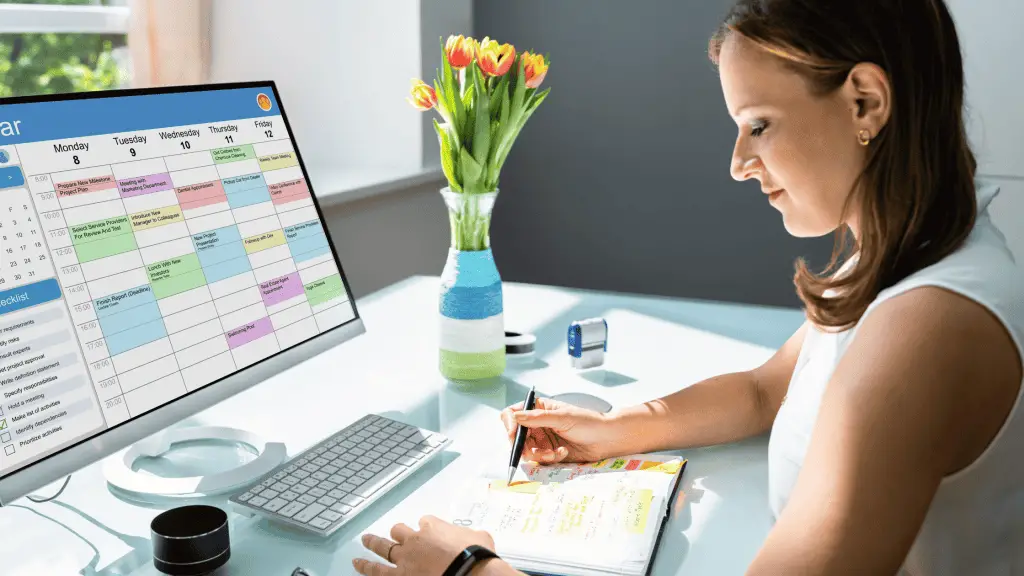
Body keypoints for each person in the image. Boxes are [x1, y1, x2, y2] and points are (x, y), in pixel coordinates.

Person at [354, 0, 1024, 573]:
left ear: (865, 103)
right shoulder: (903, 253)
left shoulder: (928, 328)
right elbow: (768, 390)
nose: (738, 164)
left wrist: (473, 567)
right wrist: (615, 430)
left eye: (759, 124)